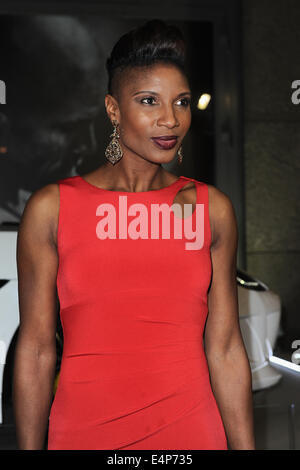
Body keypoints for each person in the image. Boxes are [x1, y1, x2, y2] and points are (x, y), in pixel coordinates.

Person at [13, 19, 256, 450]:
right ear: (113, 109)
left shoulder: (210, 209)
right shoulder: (52, 209)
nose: (170, 120)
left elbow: (226, 350)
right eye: (149, 101)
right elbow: (34, 352)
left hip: (191, 435)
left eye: (181, 103)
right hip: (83, 434)